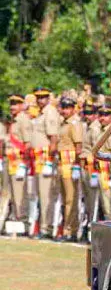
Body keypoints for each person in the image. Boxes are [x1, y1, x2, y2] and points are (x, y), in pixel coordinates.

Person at [30, 87, 60, 238]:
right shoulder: (40, 112)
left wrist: (49, 161)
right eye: (38, 97)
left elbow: (53, 137)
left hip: (45, 158)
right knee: (40, 194)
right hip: (38, 159)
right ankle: (42, 226)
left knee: (46, 194)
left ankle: (45, 228)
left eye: (43, 97)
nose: (40, 100)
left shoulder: (50, 111)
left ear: (48, 98)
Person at [55, 93, 83, 241]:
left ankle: (70, 230)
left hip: (71, 164)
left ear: (73, 109)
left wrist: (77, 166)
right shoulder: (63, 123)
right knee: (65, 198)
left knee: (71, 200)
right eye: (63, 107)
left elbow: (79, 147)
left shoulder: (74, 124)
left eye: (68, 107)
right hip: (62, 163)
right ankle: (68, 228)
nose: (65, 110)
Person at [8, 94, 31, 231]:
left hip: (18, 161)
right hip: (10, 161)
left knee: (19, 193)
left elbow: (27, 144)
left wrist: (24, 163)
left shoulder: (23, 120)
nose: (12, 107)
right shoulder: (14, 119)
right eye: (11, 104)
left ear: (22, 106)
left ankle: (22, 221)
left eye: (16, 104)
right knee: (11, 192)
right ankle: (15, 218)